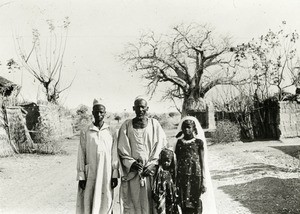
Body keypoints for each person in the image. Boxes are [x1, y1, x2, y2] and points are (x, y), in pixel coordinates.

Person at [117, 97, 167, 214]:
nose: (140, 109)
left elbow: (162, 147)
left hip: (151, 173)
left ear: (147, 108)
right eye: (137, 107)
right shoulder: (126, 126)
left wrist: (153, 165)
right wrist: (132, 164)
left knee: (153, 205)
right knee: (134, 204)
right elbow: (122, 150)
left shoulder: (155, 125)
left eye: (143, 107)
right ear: (133, 108)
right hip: (133, 174)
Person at [76, 99, 119, 214]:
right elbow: (81, 153)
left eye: (101, 112)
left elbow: (115, 153)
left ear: (105, 113)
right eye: (96, 112)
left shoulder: (111, 131)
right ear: (92, 113)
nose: (98, 114)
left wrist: (115, 174)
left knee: (106, 201)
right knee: (89, 202)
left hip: (106, 172)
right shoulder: (86, 131)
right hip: (91, 172)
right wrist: (81, 176)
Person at [174, 116, 217, 214]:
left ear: (194, 128)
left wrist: (203, 181)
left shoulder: (198, 143)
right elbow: (176, 161)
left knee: (195, 202)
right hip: (182, 177)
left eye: (189, 127)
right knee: (183, 202)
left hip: (196, 177)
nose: (186, 129)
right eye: (184, 127)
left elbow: (202, 162)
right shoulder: (179, 143)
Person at [152, 148, 181, 214]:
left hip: (170, 196)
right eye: (164, 161)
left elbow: (174, 184)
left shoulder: (172, 172)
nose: (166, 163)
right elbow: (156, 184)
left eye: (168, 161)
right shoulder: (159, 172)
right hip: (162, 196)